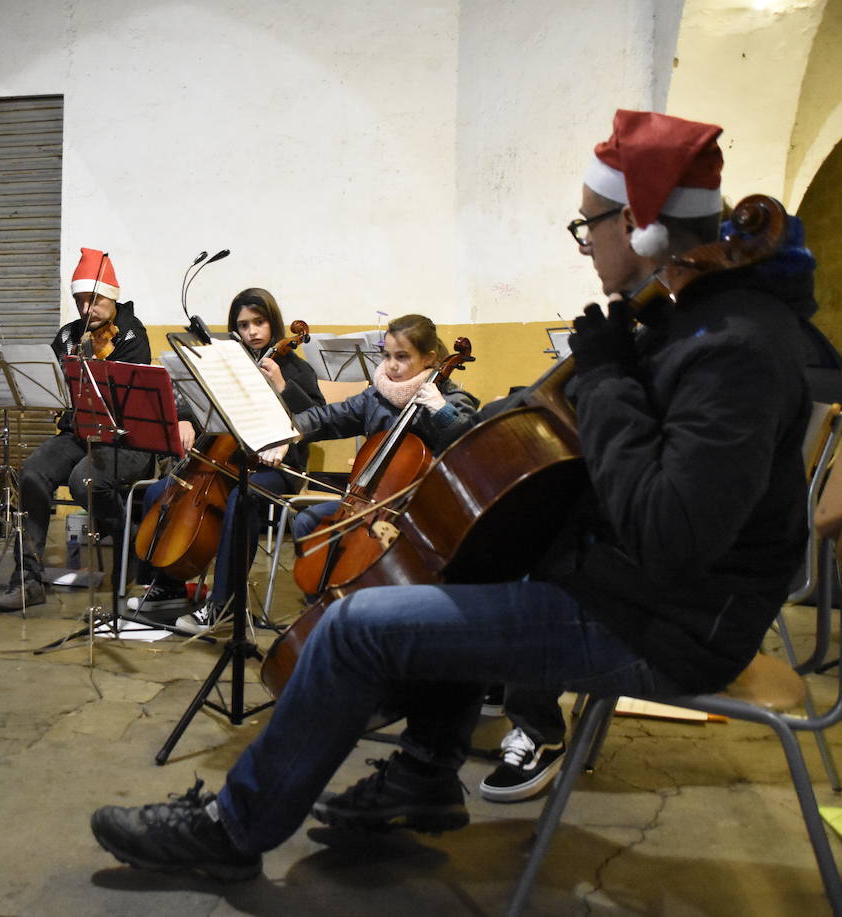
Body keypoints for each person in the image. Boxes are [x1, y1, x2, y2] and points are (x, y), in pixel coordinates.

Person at [90, 109, 816, 881]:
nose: (585, 243)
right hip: (631, 594)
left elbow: (670, 530)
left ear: (638, 227)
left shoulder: (729, 346)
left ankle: (232, 830)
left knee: (355, 625)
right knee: (475, 554)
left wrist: (604, 378)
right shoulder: (690, 324)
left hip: (661, 626)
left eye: (588, 224)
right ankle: (426, 773)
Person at [127, 288, 325, 633]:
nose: (252, 332)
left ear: (273, 322)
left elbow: (318, 418)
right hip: (226, 459)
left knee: (243, 497)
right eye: (243, 325)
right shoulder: (232, 364)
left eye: (259, 322)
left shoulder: (295, 366)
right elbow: (196, 399)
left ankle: (224, 604)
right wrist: (185, 417)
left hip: (278, 467)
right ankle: (168, 586)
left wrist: (281, 385)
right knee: (162, 489)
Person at [0, 248, 158, 611]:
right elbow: (53, 379)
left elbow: (126, 400)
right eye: (80, 301)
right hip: (79, 432)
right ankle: (28, 578)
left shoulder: (132, 335)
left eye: (94, 300)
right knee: (32, 472)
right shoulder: (69, 335)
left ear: (111, 296)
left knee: (87, 479)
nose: (86, 310)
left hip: (126, 439)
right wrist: (50, 393)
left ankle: (128, 539)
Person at [283, 312, 480, 577]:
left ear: (429, 358)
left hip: (419, 514)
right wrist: (287, 434)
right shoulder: (377, 396)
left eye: (402, 357)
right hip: (368, 505)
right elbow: (328, 417)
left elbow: (469, 444)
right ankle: (325, 603)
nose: (392, 365)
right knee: (307, 521)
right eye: (387, 356)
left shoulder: (450, 399)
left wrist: (441, 410)